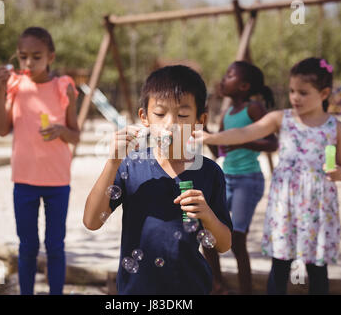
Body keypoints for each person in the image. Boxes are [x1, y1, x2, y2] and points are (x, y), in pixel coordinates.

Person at [195, 57, 341, 295]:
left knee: (317, 267)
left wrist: (338, 173)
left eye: (303, 92)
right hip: (284, 205)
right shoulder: (282, 119)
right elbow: (245, 133)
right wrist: (211, 138)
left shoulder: (337, 127)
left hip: (318, 206)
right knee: (280, 264)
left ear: (324, 93)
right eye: (291, 91)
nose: (295, 97)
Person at [83, 65, 233, 295]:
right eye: (160, 114)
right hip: (137, 289)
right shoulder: (130, 166)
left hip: (191, 288)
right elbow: (92, 221)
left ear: (199, 120)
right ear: (144, 117)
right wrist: (112, 162)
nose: (170, 123)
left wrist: (208, 215)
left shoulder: (209, 173)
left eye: (182, 115)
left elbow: (223, 244)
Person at [0, 27, 80, 295]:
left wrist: (61, 131)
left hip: (57, 181)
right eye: (23, 57)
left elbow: (76, 135)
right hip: (24, 180)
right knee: (27, 247)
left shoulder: (64, 87)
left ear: (51, 57)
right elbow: (1, 129)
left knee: (55, 246)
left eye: (36, 56)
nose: (29, 63)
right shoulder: (14, 86)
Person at [205, 61, 278, 295]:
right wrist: (206, 130)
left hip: (249, 180)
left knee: (237, 239)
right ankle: (217, 286)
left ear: (244, 85)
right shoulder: (226, 114)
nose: (224, 79)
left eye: (229, 75)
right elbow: (219, 152)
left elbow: (273, 142)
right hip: (227, 179)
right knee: (207, 234)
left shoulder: (253, 108)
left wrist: (243, 140)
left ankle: (246, 290)